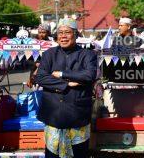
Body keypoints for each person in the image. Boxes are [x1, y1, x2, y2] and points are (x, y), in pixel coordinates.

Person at [35, 18, 97, 158]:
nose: (63, 36)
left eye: (67, 32)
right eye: (60, 32)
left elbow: (89, 75)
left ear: (75, 34)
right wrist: (67, 83)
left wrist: (62, 74)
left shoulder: (88, 55)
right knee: (52, 155)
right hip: (53, 116)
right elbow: (41, 77)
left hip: (77, 117)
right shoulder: (49, 54)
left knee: (79, 154)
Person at [27, 23, 51, 89]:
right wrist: (36, 63)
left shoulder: (52, 44)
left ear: (48, 33)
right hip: (34, 77)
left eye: (43, 32)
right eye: (40, 32)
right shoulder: (33, 44)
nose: (41, 34)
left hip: (49, 76)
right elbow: (28, 60)